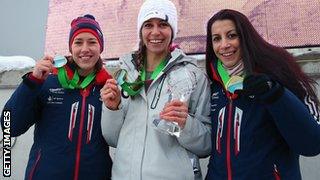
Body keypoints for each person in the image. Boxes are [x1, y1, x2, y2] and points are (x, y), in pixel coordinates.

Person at [100, 0, 211, 179]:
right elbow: (113, 139)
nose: (155, 32)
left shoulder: (193, 76)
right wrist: (112, 109)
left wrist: (185, 125)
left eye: (163, 24)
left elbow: (206, 145)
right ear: (140, 31)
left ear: (173, 30)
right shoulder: (124, 74)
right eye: (148, 25)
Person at [204, 9, 320, 179]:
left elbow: (311, 144)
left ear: (246, 37)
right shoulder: (213, 85)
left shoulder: (279, 73)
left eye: (231, 35)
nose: (224, 45)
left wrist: (275, 95)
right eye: (216, 39)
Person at [1, 14, 112, 180]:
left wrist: (115, 106)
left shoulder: (109, 88)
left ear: (100, 47)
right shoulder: (48, 81)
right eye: (78, 42)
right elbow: (10, 126)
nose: (85, 49)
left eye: (92, 42)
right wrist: (32, 82)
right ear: (71, 47)